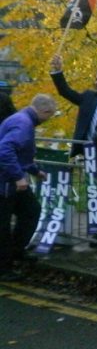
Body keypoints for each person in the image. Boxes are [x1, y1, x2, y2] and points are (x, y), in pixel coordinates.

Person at [0, 94, 57, 281]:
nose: (48, 120)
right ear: (45, 111)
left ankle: (14, 253)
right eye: (50, 116)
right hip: (6, 183)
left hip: (10, 181)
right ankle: (5, 266)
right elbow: (5, 150)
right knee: (4, 224)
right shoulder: (24, 124)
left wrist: (34, 170)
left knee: (30, 211)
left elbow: (21, 153)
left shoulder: (22, 119)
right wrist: (18, 177)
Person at [49, 54, 97, 157]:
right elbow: (65, 91)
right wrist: (57, 71)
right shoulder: (88, 97)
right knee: (90, 174)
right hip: (90, 152)